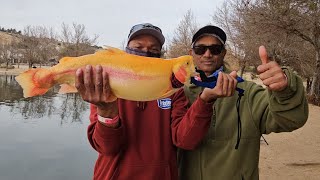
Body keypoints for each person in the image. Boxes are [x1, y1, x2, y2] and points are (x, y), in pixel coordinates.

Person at [74, 23, 229, 180]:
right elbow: (107, 148)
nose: (146, 52)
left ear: (160, 55)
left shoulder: (174, 92)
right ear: (126, 51)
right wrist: (106, 112)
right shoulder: (105, 88)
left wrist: (205, 100)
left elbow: (185, 140)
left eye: (154, 49)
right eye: (138, 47)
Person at [178, 25, 309, 180]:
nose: (207, 54)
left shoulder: (249, 93)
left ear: (224, 53)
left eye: (215, 49)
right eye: (200, 49)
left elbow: (291, 120)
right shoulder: (178, 94)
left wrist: (284, 90)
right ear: (191, 53)